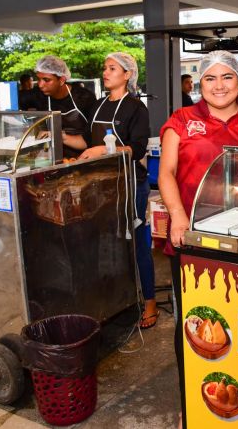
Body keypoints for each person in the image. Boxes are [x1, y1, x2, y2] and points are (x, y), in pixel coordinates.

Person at [159, 51, 238, 248]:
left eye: (227, 77)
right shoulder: (182, 119)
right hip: (191, 227)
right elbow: (167, 173)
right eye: (210, 78)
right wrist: (177, 215)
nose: (219, 86)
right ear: (201, 83)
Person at [76, 52, 156, 329]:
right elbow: (85, 142)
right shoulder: (98, 106)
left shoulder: (136, 108)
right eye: (105, 68)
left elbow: (138, 148)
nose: (105, 73)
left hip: (131, 183)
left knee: (136, 244)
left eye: (112, 68)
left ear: (127, 75)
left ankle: (149, 302)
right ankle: (114, 300)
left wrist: (104, 149)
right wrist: (55, 134)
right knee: (106, 243)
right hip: (101, 184)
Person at [30, 55, 96, 158]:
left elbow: (94, 134)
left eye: (46, 80)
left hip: (84, 156)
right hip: (54, 157)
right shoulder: (39, 97)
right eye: (38, 79)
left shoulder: (84, 97)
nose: (40, 85)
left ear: (61, 80)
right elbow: (38, 127)